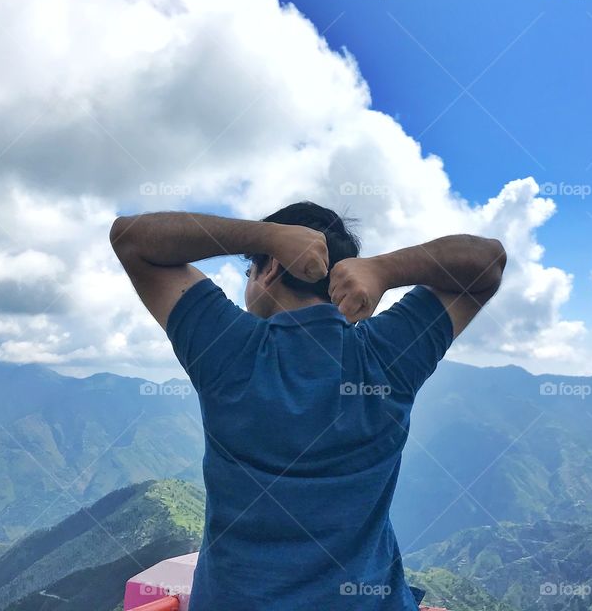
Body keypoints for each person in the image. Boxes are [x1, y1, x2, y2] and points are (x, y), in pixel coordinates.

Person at [111, 201, 506, 611]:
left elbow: (130, 237)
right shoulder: (388, 355)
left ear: (271, 269)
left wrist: (263, 236)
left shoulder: (226, 348)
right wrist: (385, 270)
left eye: (250, 270)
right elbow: (487, 262)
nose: (248, 283)